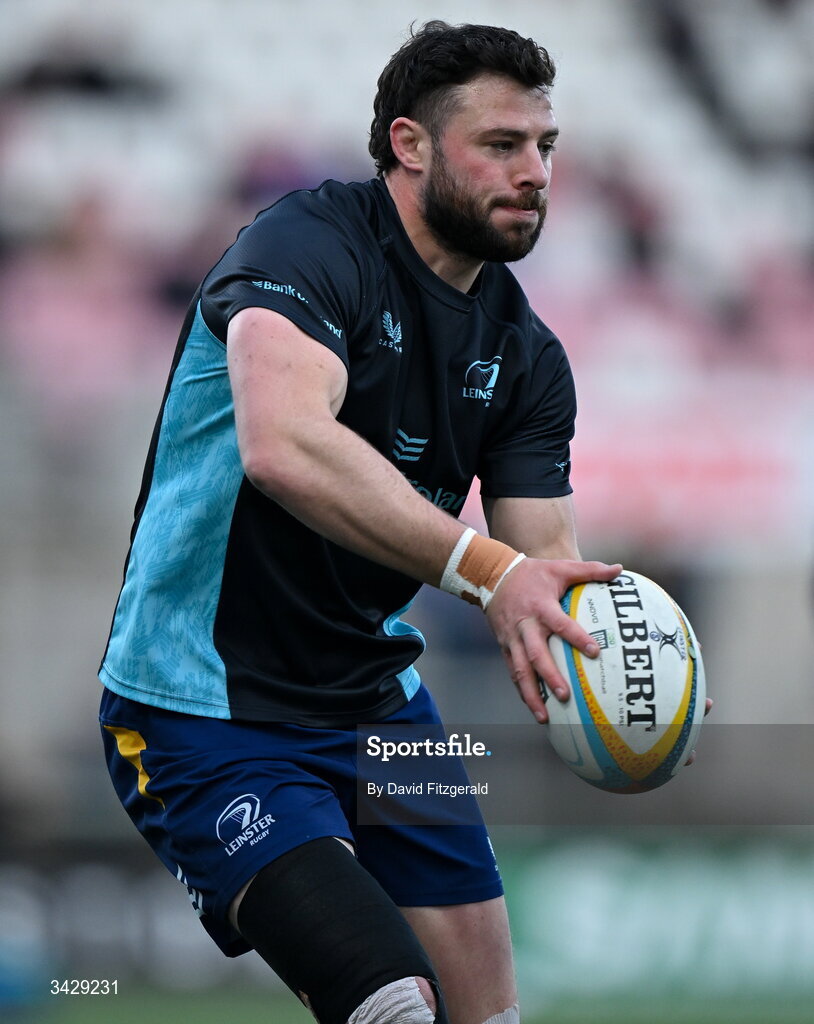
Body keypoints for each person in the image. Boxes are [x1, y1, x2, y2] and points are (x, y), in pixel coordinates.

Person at [99, 21, 623, 1024]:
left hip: (382, 713)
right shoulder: (305, 244)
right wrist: (491, 573)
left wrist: (604, 681)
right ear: (410, 145)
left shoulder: (527, 353)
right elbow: (284, 444)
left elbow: (537, 562)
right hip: (205, 706)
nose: (534, 173)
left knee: (488, 1016)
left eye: (544, 148)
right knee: (390, 1002)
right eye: (501, 145)